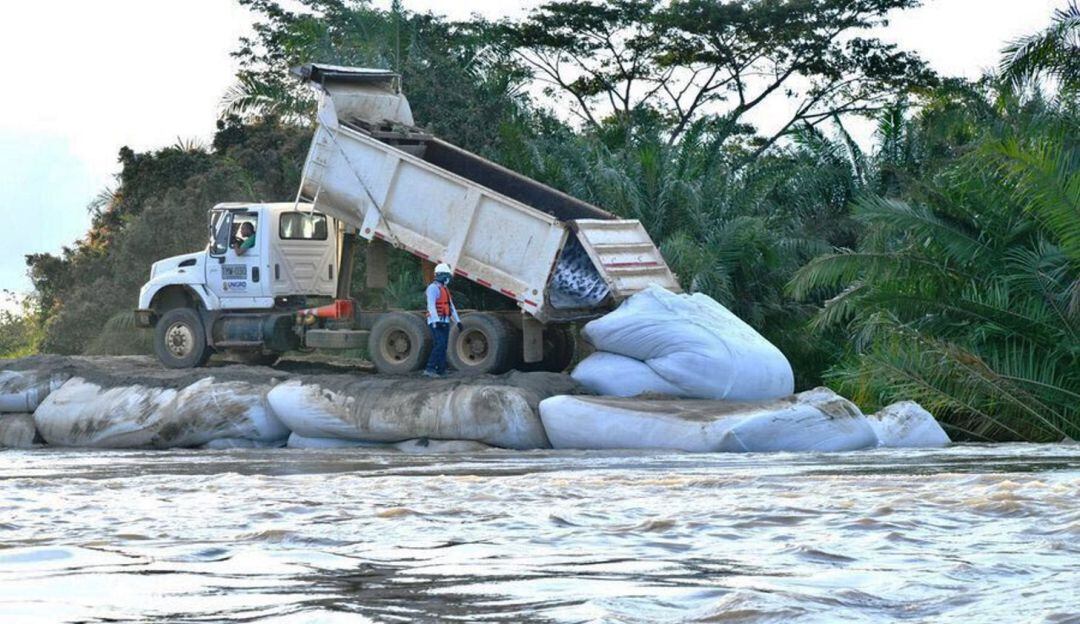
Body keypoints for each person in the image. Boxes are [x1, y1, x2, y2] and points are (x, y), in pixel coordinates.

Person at [424, 263, 463, 377]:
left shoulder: (444, 289)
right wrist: (436, 321)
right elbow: (431, 305)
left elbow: (450, 306)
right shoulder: (432, 288)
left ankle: (441, 369)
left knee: (444, 345)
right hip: (435, 322)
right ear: (441, 275)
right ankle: (430, 368)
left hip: (445, 321)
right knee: (439, 344)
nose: (448, 279)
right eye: (447, 276)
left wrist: (458, 321)